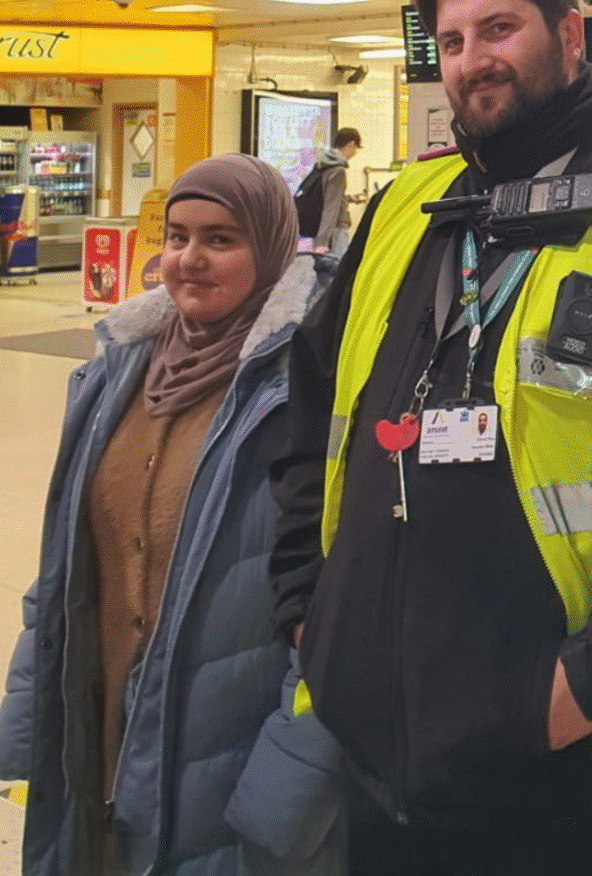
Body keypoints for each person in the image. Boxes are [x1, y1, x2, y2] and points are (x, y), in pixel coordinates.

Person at [269, 0, 592, 875]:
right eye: (454, 39)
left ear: (569, 34)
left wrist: (590, 681)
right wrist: (308, 612)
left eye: (499, 28)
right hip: (375, 742)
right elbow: (313, 414)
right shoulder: (409, 206)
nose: (474, 59)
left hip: (562, 755)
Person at [0, 154, 343, 876]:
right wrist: (29, 719)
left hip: (230, 773)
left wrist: (290, 786)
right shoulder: (113, 373)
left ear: (273, 249)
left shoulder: (304, 392)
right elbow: (63, 573)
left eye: (221, 239)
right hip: (99, 758)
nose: (189, 259)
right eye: (177, 235)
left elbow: (344, 610)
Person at [314, 126, 362, 258]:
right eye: (356, 148)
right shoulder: (338, 171)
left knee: (324, 271)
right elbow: (331, 206)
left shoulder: (324, 164)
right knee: (338, 270)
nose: (355, 152)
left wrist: (349, 198)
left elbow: (327, 197)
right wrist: (321, 241)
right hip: (335, 230)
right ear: (351, 144)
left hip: (323, 228)